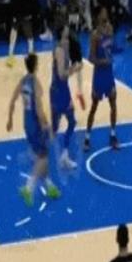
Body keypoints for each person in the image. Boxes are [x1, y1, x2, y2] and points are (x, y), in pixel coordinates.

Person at [7, 53, 61, 206]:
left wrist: (10, 119)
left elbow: (12, 100)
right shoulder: (35, 83)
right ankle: (28, 187)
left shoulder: (23, 81)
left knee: (42, 156)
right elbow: (38, 108)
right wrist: (46, 124)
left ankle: (50, 186)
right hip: (36, 124)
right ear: (36, 65)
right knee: (43, 157)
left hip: (26, 122)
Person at [84, 7, 119, 151]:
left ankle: (113, 135)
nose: (106, 14)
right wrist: (102, 62)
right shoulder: (95, 35)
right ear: (98, 16)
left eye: (106, 12)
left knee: (113, 104)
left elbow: (111, 48)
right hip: (99, 74)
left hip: (109, 73)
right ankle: (87, 138)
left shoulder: (110, 29)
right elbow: (90, 58)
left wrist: (117, 50)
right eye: (103, 12)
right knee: (94, 107)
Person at [51, 25, 81, 170]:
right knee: (62, 124)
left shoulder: (65, 47)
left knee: (69, 121)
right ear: (61, 34)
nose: (69, 35)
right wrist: (74, 69)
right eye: (66, 33)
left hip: (61, 90)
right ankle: (61, 154)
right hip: (59, 91)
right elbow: (62, 74)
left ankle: (64, 154)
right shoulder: (59, 51)